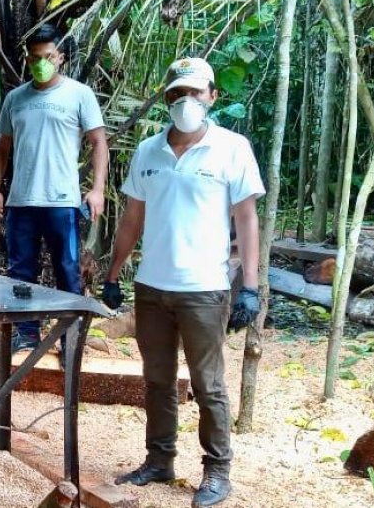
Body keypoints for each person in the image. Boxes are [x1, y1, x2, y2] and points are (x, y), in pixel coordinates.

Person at [101, 58, 263, 508]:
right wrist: (115, 274)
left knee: (208, 384)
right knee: (157, 380)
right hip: (152, 287)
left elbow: (247, 221)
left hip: (205, 289)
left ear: (212, 96)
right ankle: (159, 459)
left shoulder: (232, 148)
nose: (185, 101)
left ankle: (216, 470)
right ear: (166, 98)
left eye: (195, 93)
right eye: (177, 94)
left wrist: (249, 286)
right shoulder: (148, 152)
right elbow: (132, 218)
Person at [0, 25, 109, 351]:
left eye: (47, 56)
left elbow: (99, 142)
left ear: (60, 57)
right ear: (27, 60)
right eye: (35, 58)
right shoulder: (16, 98)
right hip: (21, 201)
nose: (41, 62)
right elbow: (2, 147)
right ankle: (25, 335)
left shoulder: (79, 95)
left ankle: (69, 338)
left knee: (67, 270)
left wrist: (97, 189)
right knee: (19, 274)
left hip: (62, 201)